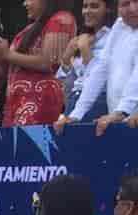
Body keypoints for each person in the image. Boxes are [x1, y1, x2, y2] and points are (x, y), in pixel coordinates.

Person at [0, 0, 78, 124]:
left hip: (41, 101)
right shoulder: (32, 27)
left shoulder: (60, 19)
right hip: (17, 103)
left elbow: (50, 63)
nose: (25, 4)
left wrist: (7, 54)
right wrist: (1, 55)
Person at [57, 0, 138, 129]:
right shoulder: (119, 25)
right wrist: (76, 115)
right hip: (119, 119)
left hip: (123, 116)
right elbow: (101, 70)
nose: (133, 8)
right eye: (126, 3)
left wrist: (121, 112)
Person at [60, 0, 117, 114]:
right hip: (73, 100)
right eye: (85, 6)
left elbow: (99, 77)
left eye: (94, 6)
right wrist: (66, 58)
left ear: (108, 9)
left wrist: (85, 49)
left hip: (98, 101)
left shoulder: (113, 37)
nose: (87, 11)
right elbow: (64, 81)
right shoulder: (82, 37)